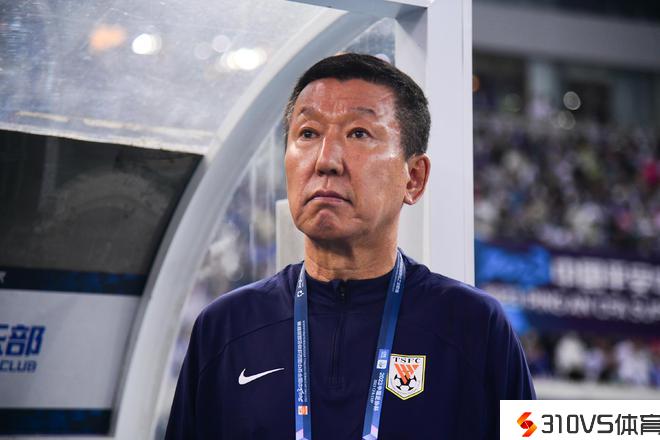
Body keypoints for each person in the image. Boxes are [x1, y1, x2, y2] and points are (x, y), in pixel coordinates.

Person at [165, 53, 535, 440]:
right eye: (308, 133)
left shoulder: (475, 327)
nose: (326, 160)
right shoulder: (226, 327)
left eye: (358, 133)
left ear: (413, 178)